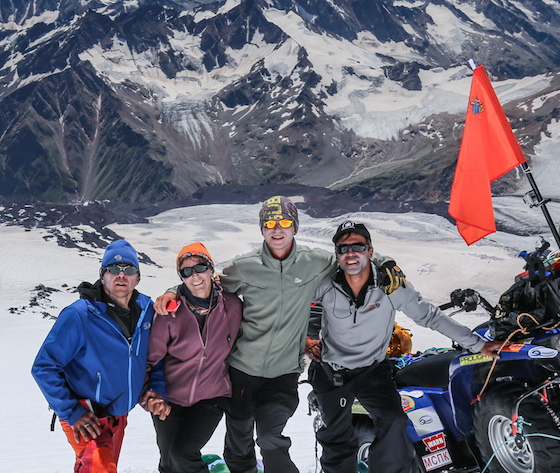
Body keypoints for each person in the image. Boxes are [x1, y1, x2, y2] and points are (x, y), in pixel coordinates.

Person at [154, 196, 407, 473]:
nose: (277, 230)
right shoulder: (244, 267)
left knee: (270, 438)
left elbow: (351, 256)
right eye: (269, 223)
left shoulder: (314, 262)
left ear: (295, 227)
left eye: (284, 222)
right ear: (262, 229)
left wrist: (385, 261)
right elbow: (201, 282)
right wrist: (171, 290)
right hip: (242, 370)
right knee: (238, 443)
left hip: (283, 372)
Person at [308, 221, 497, 473]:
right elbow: (288, 305)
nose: (350, 254)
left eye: (358, 246)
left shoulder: (391, 286)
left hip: (371, 372)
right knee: (336, 439)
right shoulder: (324, 284)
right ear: (337, 255)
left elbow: (430, 316)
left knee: (395, 422)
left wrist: (478, 344)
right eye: (343, 249)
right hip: (332, 373)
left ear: (370, 251)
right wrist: (304, 340)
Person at [32, 239, 159, 473]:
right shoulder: (80, 315)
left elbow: (156, 357)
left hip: (118, 415)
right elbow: (43, 366)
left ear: (138, 278)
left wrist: (155, 389)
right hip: (86, 415)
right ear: (103, 277)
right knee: (100, 468)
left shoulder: (147, 312)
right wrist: (72, 412)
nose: (121, 275)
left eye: (128, 269)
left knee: (101, 468)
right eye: (113, 269)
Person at [143, 243, 244, 473]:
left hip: (213, 396)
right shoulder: (168, 313)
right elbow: (151, 359)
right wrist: (149, 396)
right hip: (170, 398)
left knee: (182, 454)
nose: (195, 275)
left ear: (211, 270)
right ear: (181, 278)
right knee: (168, 461)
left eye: (200, 267)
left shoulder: (232, 306)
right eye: (187, 272)